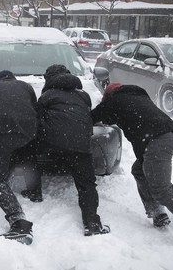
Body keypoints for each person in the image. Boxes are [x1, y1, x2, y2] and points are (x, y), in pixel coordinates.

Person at [91, 83, 173, 261]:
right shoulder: (136, 96)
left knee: (161, 189)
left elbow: (90, 118)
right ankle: (157, 213)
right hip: (169, 134)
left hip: (157, 140)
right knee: (139, 170)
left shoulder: (114, 101)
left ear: (109, 95)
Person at [22, 64, 110, 236]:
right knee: (87, 185)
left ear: (49, 79)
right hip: (80, 145)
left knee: (29, 149)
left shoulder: (47, 95)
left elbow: (37, 118)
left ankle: (34, 191)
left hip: (51, 142)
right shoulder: (84, 96)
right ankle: (92, 223)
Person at [0, 70, 38, 245]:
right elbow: (35, 108)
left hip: (1, 133)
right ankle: (35, 190)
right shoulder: (26, 86)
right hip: (28, 132)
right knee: (16, 148)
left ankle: (19, 223)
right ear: (13, 78)